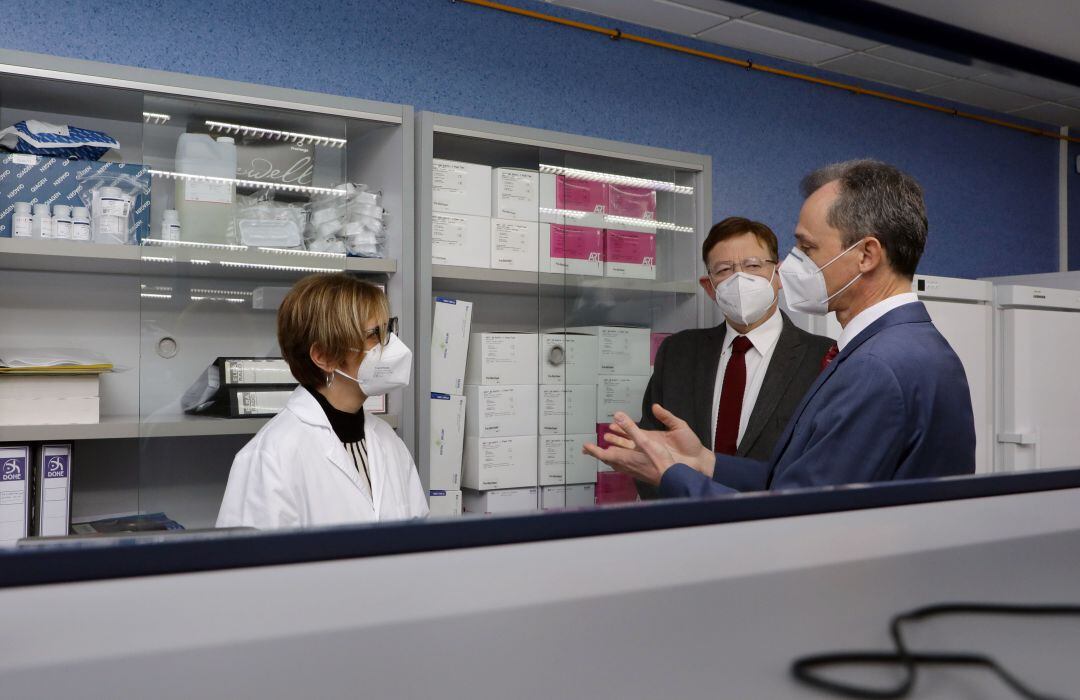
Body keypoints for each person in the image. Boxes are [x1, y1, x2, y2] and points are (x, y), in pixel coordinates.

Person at [586, 159, 976, 496]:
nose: (793, 265)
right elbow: (804, 482)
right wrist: (705, 462)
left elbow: (802, 517)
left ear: (866, 255)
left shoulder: (878, 366)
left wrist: (673, 476)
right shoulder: (912, 346)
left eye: (807, 248)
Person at [637, 217, 834, 498]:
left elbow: (824, 467)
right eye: (724, 270)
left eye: (754, 266)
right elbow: (650, 454)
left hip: (779, 529)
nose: (740, 278)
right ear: (709, 287)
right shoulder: (677, 353)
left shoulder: (824, 359)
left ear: (778, 276)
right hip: (687, 527)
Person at [217, 273, 428, 528]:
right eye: (374, 334)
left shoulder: (388, 441)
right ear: (324, 356)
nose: (390, 345)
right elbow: (251, 564)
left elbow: (419, 543)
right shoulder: (270, 455)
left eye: (389, 329)